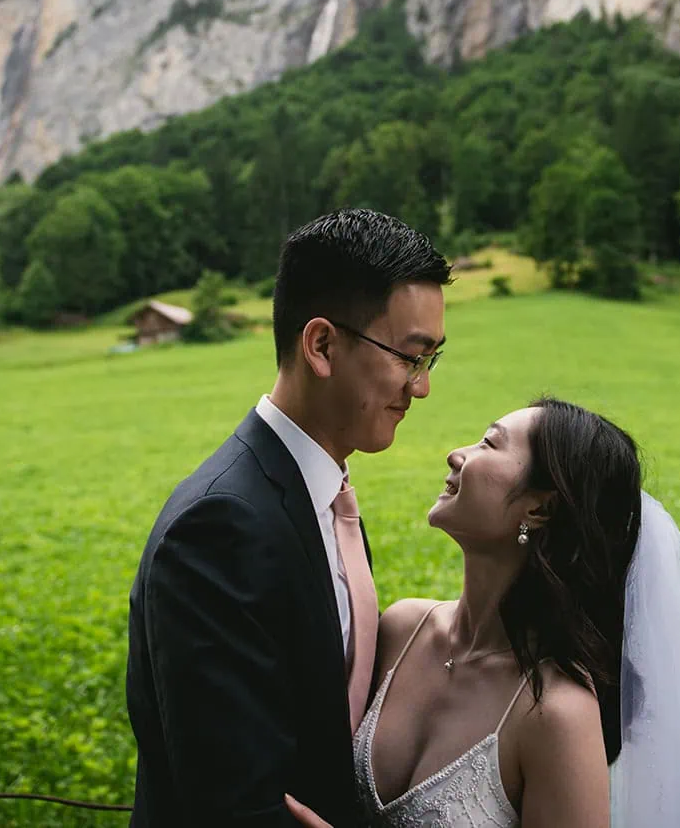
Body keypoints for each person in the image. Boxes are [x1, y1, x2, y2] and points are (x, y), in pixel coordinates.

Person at [125, 208, 452, 827]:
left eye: (431, 359)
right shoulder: (222, 527)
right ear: (322, 345)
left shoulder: (321, 493)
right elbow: (234, 806)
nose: (421, 387)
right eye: (410, 357)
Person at [284, 399, 680, 828]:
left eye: (489, 444)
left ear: (540, 508)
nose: (456, 455)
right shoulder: (402, 629)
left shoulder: (557, 713)